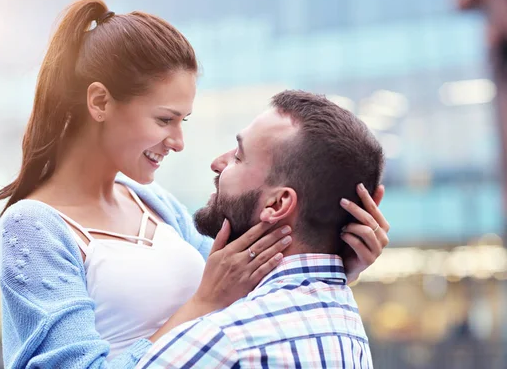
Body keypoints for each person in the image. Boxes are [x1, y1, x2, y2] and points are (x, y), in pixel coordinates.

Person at [0, 0, 389, 369]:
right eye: (164, 120)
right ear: (99, 102)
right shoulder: (33, 227)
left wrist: (339, 261)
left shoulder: (153, 201)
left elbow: (249, 287)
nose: (178, 142)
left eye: (184, 121)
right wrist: (201, 303)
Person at [137, 91, 388, 368]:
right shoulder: (347, 324)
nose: (217, 163)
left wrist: (204, 302)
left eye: (238, 157)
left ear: (278, 203)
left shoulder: (224, 342)